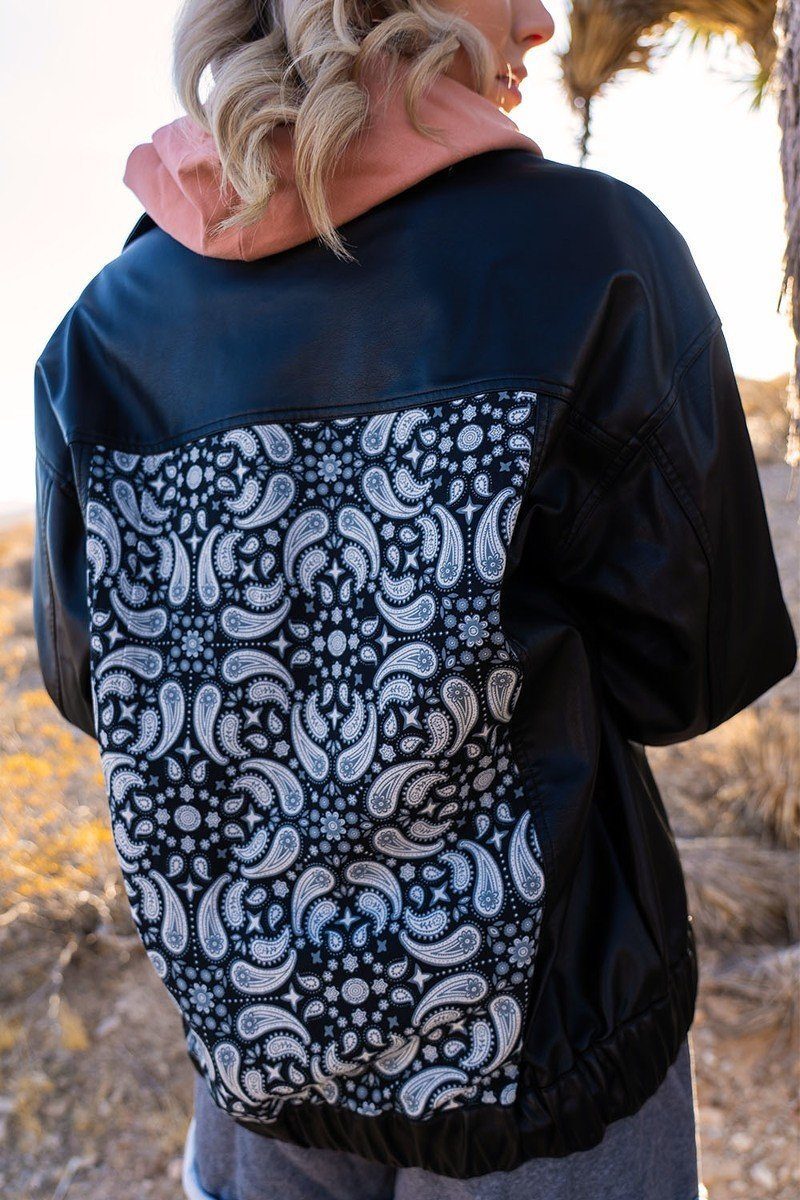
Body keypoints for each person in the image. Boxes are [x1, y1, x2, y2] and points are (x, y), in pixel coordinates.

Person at [32, 0, 795, 1196]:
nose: (540, 22)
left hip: (259, 1046)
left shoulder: (104, 327)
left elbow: (95, 691)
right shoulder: (590, 253)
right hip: (547, 1064)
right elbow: (689, 675)